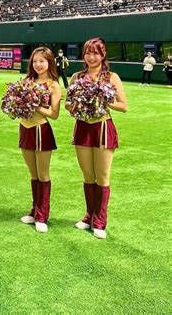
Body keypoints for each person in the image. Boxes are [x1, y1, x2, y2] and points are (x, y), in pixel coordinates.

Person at [66, 38, 127, 239]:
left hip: (102, 128)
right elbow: (68, 104)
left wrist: (102, 99)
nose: (91, 57)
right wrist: (76, 105)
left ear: (103, 55)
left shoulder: (111, 77)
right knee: (88, 176)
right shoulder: (76, 76)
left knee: (102, 176)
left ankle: (100, 220)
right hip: (83, 127)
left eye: (96, 53)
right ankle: (89, 215)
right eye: (88, 53)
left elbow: (123, 105)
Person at [19, 48, 61, 233]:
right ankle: (34, 210)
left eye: (42, 61)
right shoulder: (26, 81)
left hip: (41, 130)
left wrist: (35, 106)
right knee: (33, 174)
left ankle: (43, 214)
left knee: (43, 174)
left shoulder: (53, 85)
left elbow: (54, 114)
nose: (38, 65)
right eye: (35, 61)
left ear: (49, 63)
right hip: (25, 128)